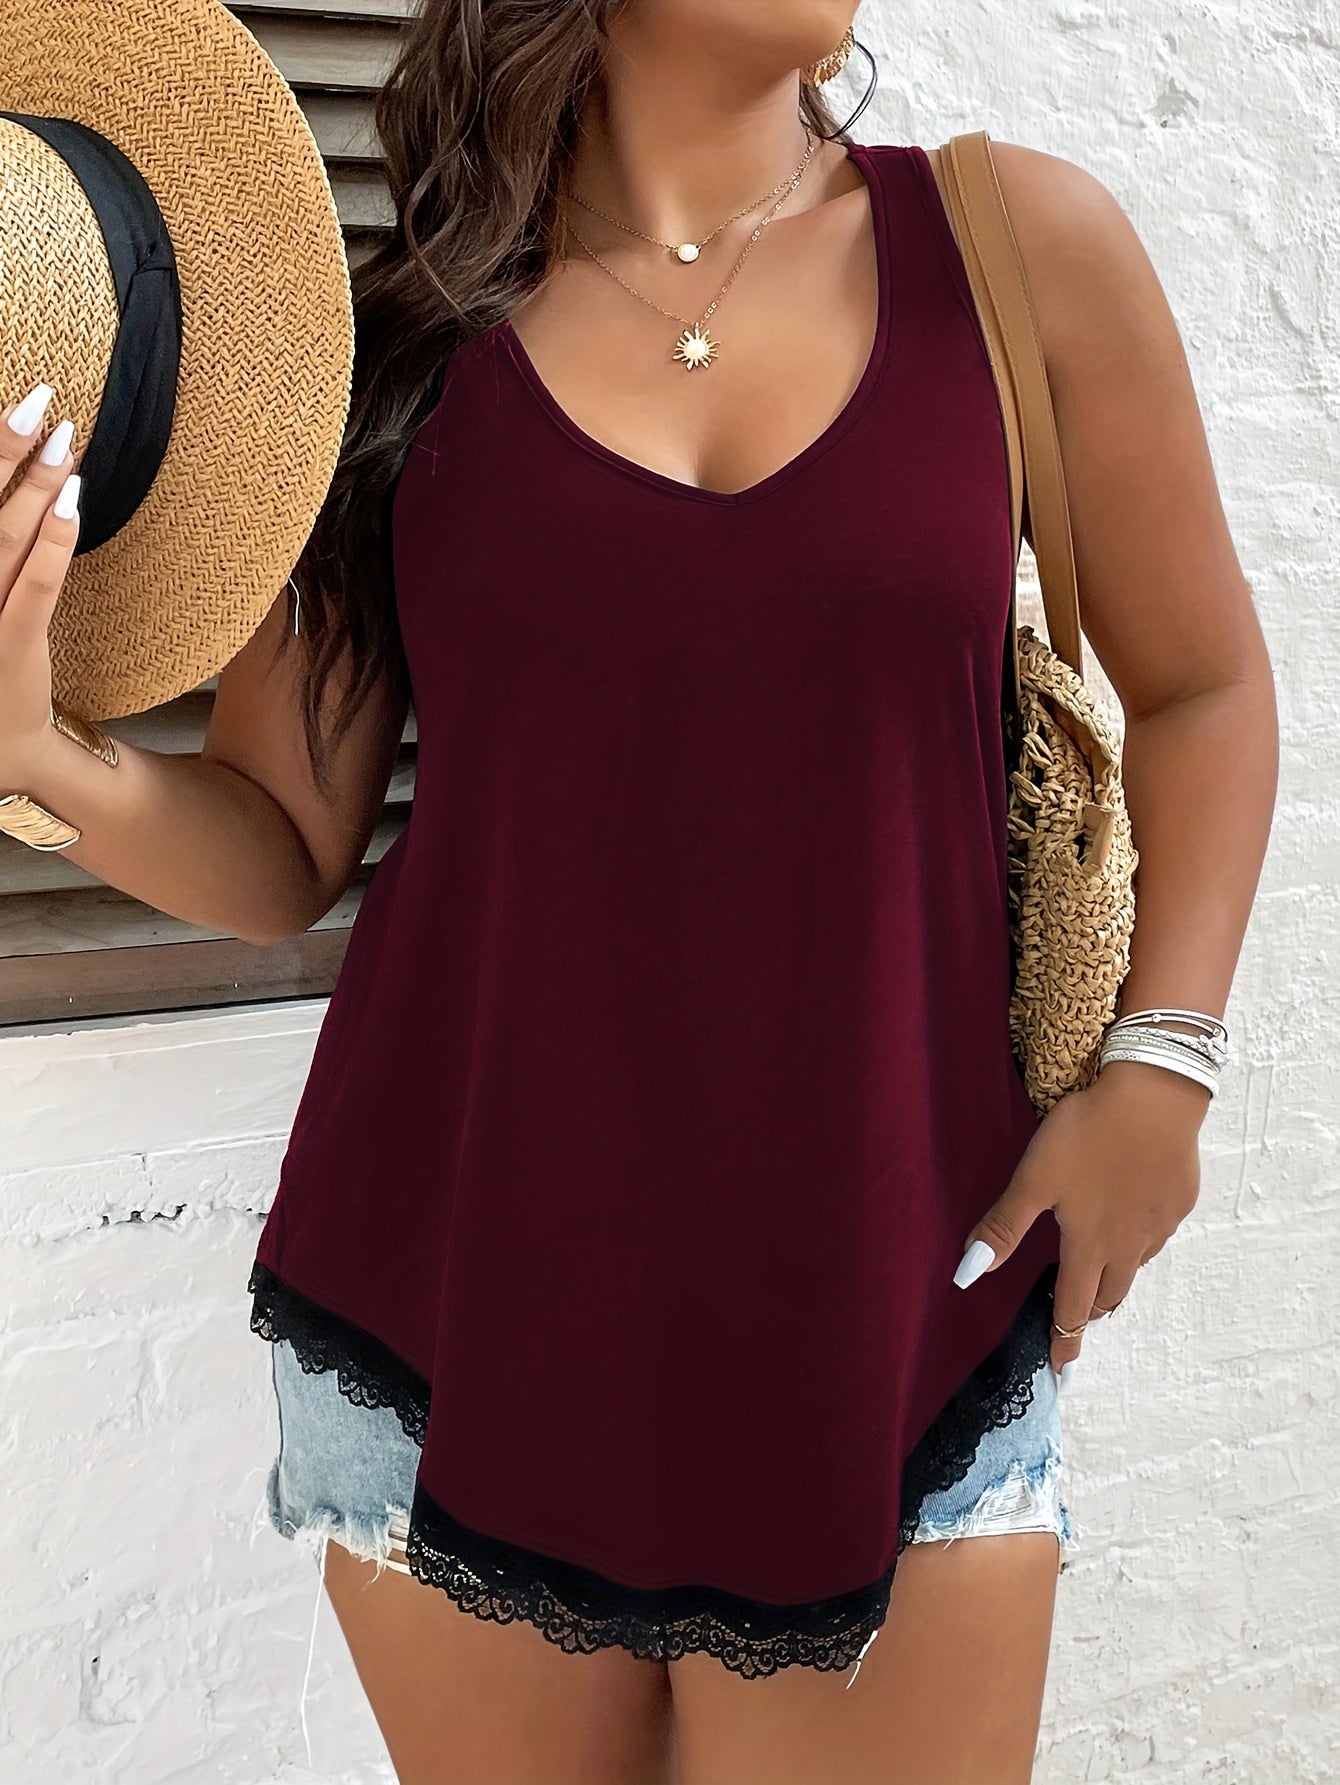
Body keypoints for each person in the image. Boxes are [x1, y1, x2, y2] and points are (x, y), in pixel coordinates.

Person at [0, 4, 1278, 1780]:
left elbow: (1205, 685)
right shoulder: (402, 343)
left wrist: (1165, 1062)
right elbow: (281, 840)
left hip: (900, 1321)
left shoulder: (1015, 254)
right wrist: (42, 759)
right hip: (457, 1321)